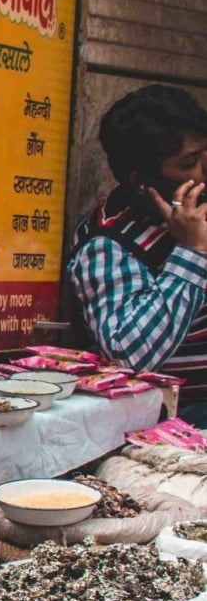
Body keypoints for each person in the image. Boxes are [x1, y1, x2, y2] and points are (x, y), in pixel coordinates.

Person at [68, 85, 207, 414]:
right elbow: (131, 353)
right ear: (143, 180)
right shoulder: (108, 245)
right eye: (189, 163)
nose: (205, 170)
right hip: (177, 413)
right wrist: (191, 253)